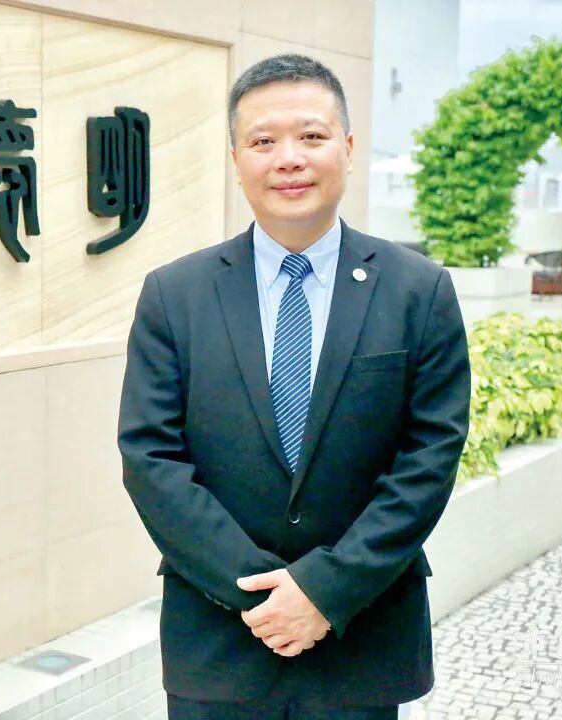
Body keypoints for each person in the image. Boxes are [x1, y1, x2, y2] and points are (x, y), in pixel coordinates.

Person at [117, 54, 471, 720]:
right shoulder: (175, 294)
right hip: (219, 639)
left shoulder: (418, 290)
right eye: (263, 141)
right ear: (236, 158)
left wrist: (323, 591)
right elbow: (150, 457)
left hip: (360, 636)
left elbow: (430, 457)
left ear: (348, 148)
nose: (289, 159)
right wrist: (262, 596)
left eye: (311, 136)